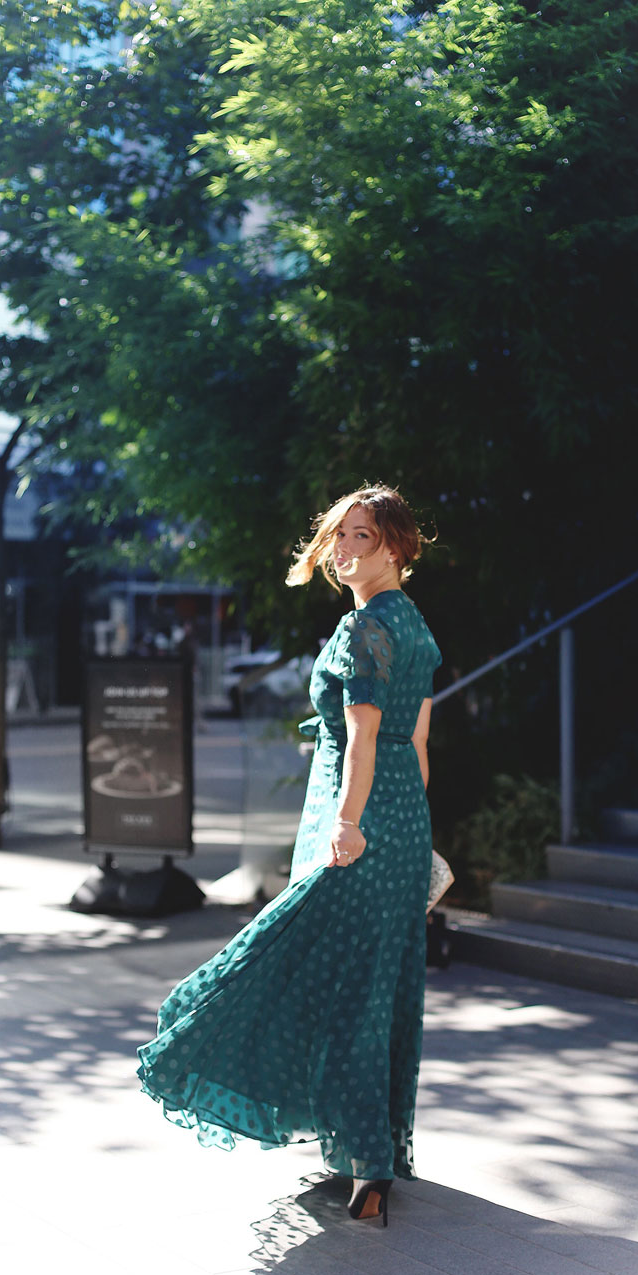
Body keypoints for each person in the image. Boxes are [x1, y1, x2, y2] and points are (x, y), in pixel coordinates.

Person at [136, 484, 441, 1226]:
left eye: (360, 537)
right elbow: (422, 746)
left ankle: (366, 1161)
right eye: (338, 538)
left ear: (397, 545)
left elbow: (364, 740)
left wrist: (347, 823)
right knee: (375, 989)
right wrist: (410, 832)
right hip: (402, 822)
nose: (342, 552)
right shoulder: (419, 629)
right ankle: (371, 1161)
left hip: (356, 822)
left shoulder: (364, 632)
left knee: (300, 975)